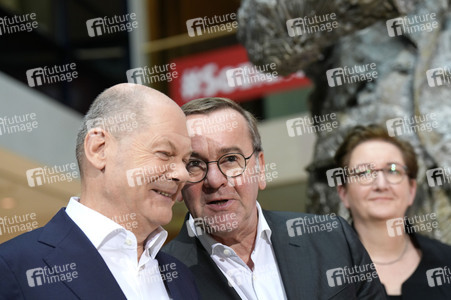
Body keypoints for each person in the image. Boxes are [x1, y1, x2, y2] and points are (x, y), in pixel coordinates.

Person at [163, 97, 386, 299]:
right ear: (179, 178)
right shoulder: (162, 278)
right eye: (194, 164)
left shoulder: (332, 238)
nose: (214, 180)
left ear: (260, 168)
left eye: (231, 159)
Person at [0, 83, 199, 300]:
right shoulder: (14, 267)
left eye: (186, 161)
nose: (182, 174)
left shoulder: (182, 277)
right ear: (99, 149)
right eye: (165, 153)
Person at [335, 124, 451, 299]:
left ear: (411, 190)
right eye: (364, 172)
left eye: (393, 170)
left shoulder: (446, 262)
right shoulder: (326, 271)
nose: (381, 185)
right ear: (343, 193)